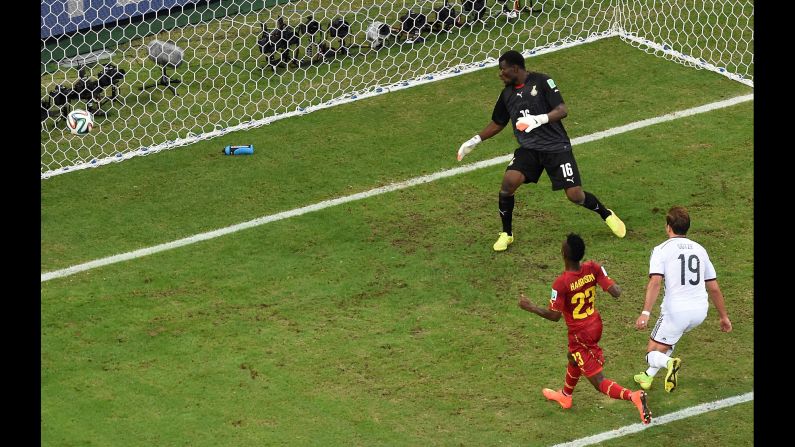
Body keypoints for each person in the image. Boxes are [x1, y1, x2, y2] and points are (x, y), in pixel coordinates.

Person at [456, 50, 626, 252]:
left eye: (502, 70)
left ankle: (606, 213)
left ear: (515, 68)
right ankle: (506, 234)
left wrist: (537, 119)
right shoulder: (507, 94)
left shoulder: (543, 81)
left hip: (556, 148)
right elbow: (498, 122)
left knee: (575, 195)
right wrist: (474, 141)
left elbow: (562, 110)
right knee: (508, 183)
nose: (500, 74)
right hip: (529, 149)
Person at [518, 233, 651, 424]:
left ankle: (634, 396)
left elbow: (554, 316)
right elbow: (616, 292)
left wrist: (530, 306)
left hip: (581, 334)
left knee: (598, 381)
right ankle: (565, 395)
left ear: (563, 253)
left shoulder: (561, 283)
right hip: (595, 324)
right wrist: (603, 277)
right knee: (573, 357)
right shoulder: (593, 267)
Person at [634, 206, 732, 392]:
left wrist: (645, 313)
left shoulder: (661, 249)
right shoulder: (700, 250)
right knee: (669, 340)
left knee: (652, 352)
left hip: (675, 312)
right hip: (700, 312)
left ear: (668, 226)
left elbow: (655, 282)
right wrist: (724, 317)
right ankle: (647, 377)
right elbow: (713, 287)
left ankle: (671, 363)